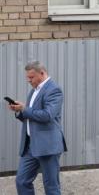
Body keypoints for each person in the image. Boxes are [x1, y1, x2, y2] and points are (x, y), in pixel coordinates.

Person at [8, 61, 66, 195]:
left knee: (51, 186)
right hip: (30, 146)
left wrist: (24, 109)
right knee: (22, 181)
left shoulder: (54, 90)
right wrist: (19, 111)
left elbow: (47, 115)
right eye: (27, 77)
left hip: (47, 146)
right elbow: (30, 116)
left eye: (31, 77)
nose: (28, 80)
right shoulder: (34, 91)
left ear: (42, 73)